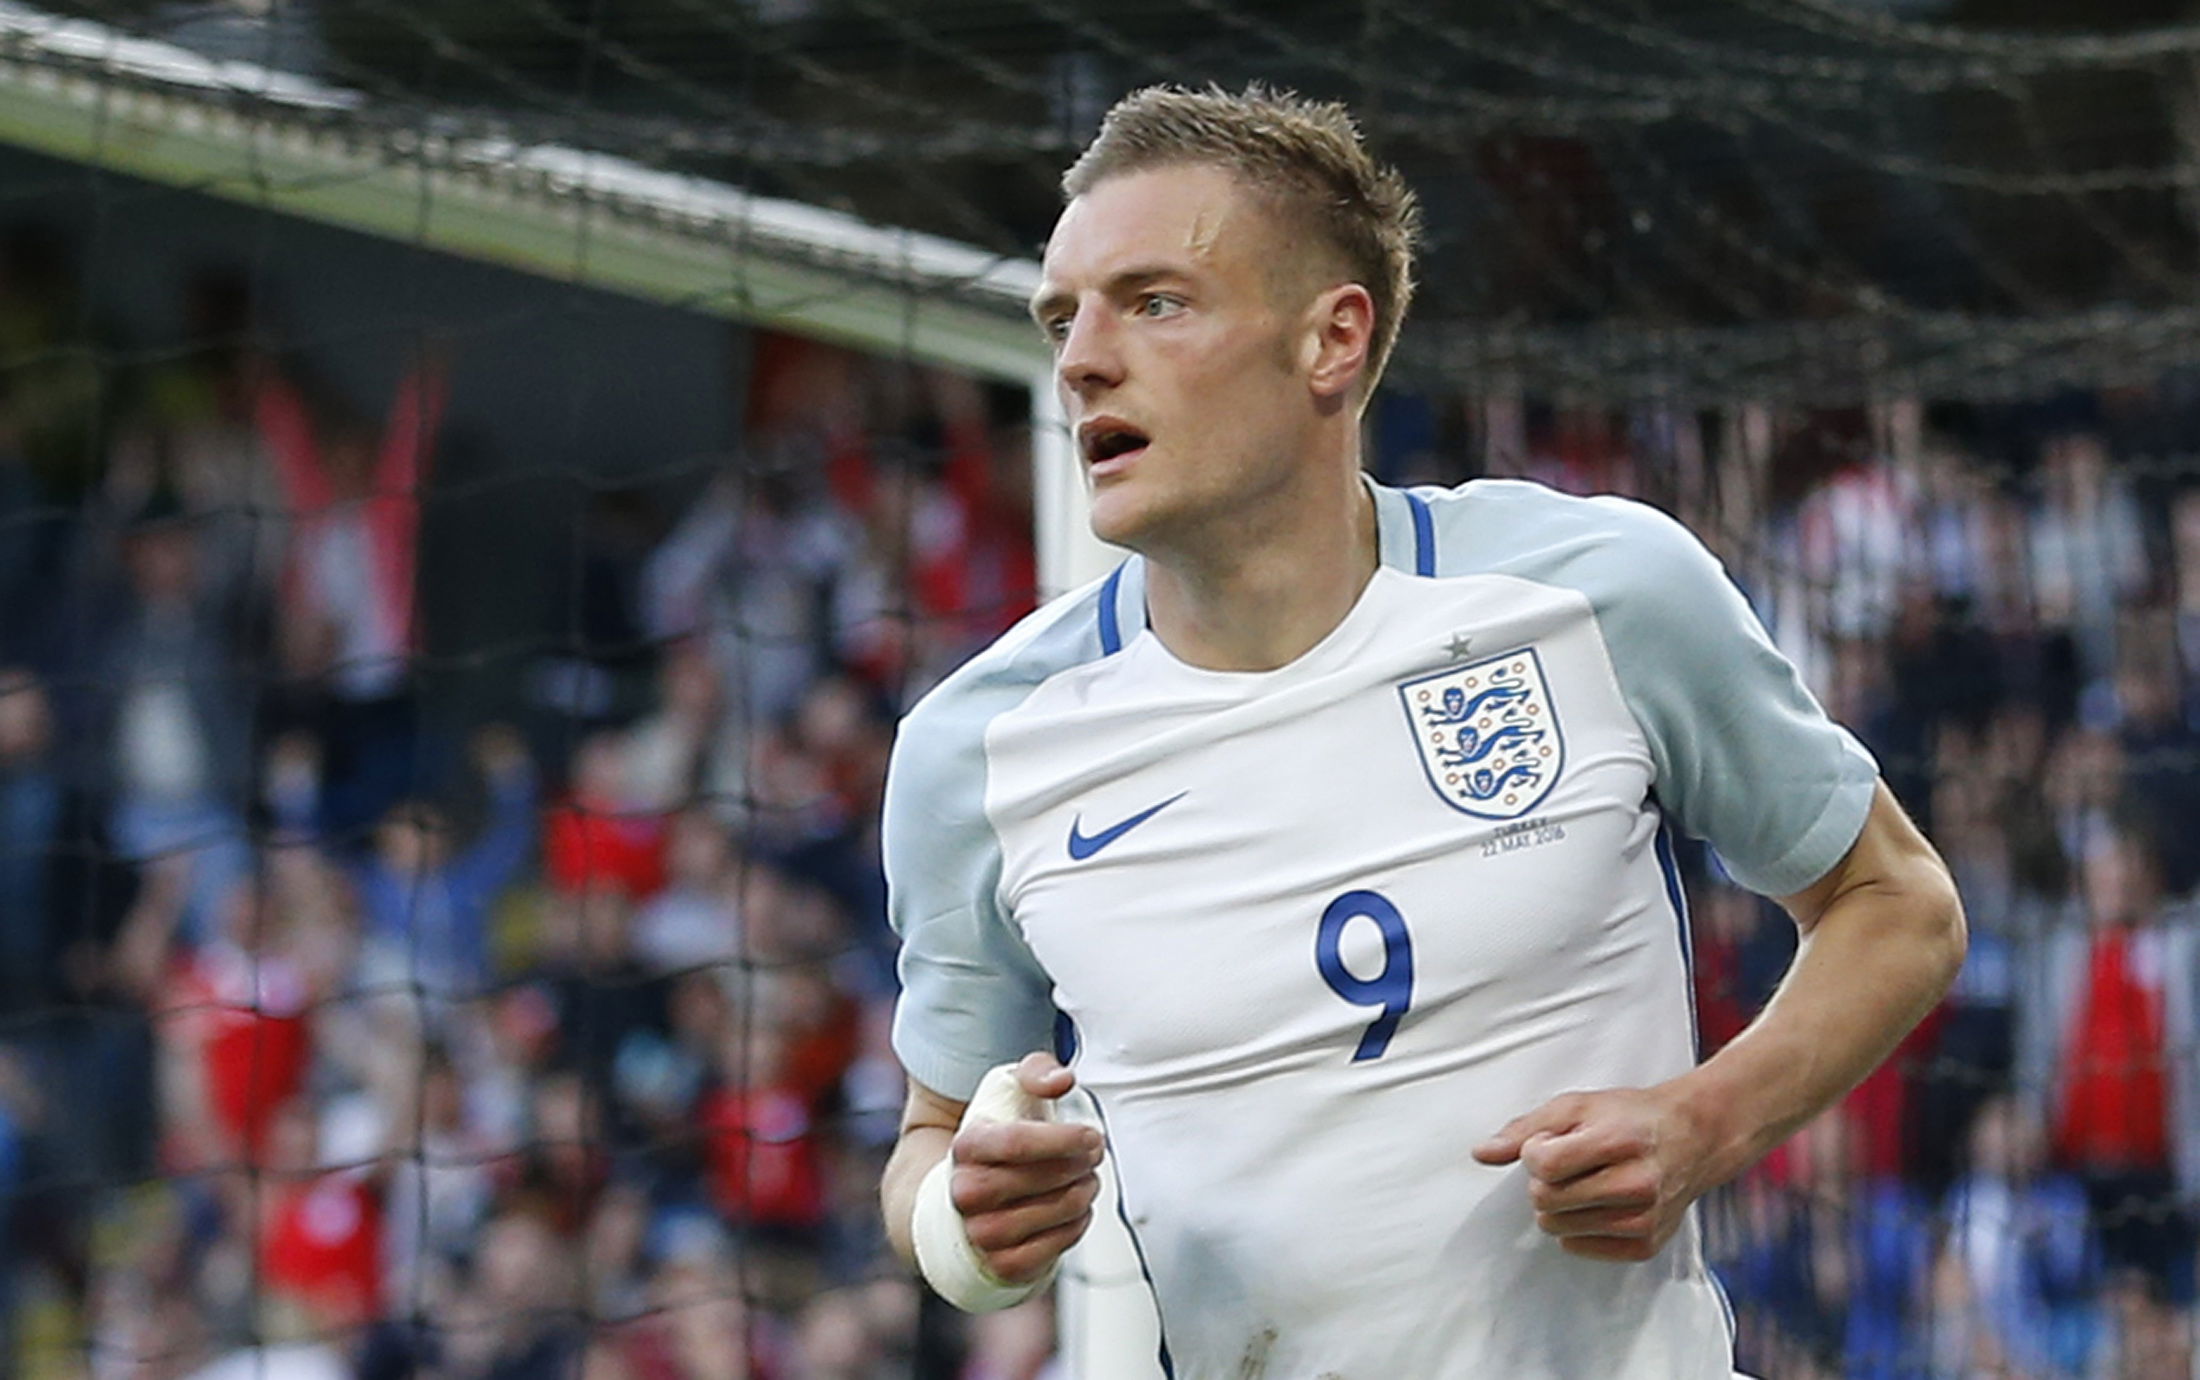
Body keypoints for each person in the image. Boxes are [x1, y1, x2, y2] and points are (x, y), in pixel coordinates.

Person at [876, 84, 1966, 1378]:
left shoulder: (1598, 594)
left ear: (1332, 340)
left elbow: (1897, 902)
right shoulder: (978, 750)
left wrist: (1704, 1123)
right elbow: (932, 1140)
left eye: (1153, 302)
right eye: (1064, 316)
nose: (1081, 359)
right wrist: (964, 1228)